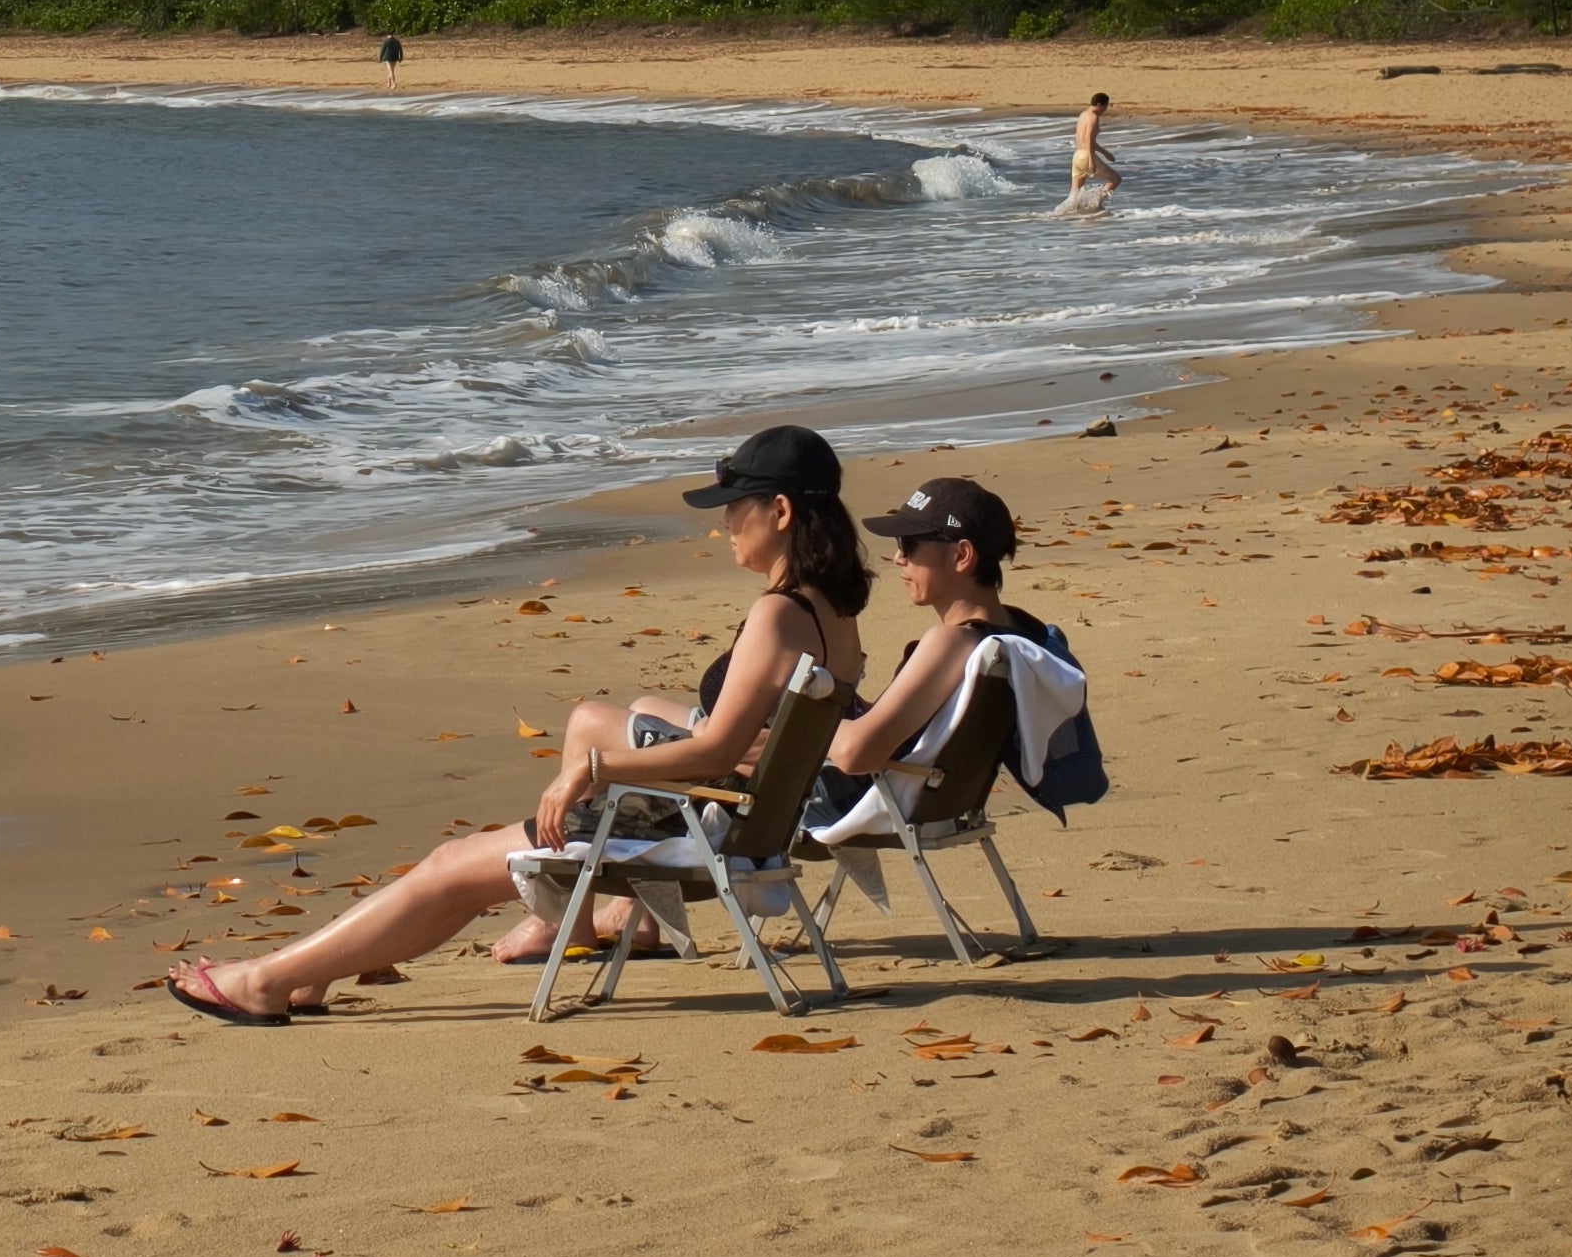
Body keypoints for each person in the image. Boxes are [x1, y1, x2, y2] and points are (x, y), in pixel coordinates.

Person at [165, 423, 870, 1026]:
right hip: (740, 823)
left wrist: (589, 771)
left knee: (451, 869)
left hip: (694, 823)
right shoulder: (833, 615)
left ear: (778, 511)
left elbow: (715, 747)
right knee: (466, 872)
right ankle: (312, 971)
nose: (724, 524)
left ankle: (265, 982)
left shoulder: (779, 614)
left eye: (734, 508)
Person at [811, 474, 1054, 821]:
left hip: (871, 803)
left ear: (961, 555)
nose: (898, 557)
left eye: (909, 544)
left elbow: (854, 754)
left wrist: (797, 729)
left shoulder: (951, 642)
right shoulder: (1019, 634)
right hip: (944, 801)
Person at [1067, 91, 1120, 214]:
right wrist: (1091, 159)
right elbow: (1089, 139)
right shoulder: (1093, 117)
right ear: (1099, 105)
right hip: (1086, 156)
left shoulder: (1083, 114)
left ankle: (1065, 215)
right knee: (1116, 179)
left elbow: (1084, 140)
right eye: (1106, 107)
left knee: (1073, 194)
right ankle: (1095, 205)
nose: (1105, 110)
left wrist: (1105, 152)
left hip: (1077, 156)